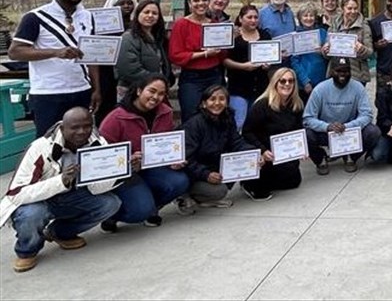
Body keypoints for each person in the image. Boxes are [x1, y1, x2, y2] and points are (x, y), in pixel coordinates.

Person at [1, 107, 121, 273]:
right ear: (62, 128)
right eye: (75, 127)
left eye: (87, 126)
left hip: (70, 197)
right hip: (38, 201)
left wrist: (121, 172)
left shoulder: (98, 143)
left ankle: (59, 233)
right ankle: (27, 250)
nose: (82, 132)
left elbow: (97, 189)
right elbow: (16, 194)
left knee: (110, 203)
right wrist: (61, 181)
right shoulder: (39, 148)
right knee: (32, 215)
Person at [9, 0, 102, 137]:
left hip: (81, 89)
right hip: (48, 93)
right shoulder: (36, 17)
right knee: (49, 143)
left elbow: (92, 55)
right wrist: (55, 52)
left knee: (81, 140)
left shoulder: (88, 16)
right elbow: (15, 52)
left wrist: (96, 89)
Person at [98, 75, 190, 231]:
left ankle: (151, 208)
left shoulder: (165, 113)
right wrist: (127, 159)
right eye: (151, 91)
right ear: (139, 91)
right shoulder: (116, 117)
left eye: (161, 94)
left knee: (180, 181)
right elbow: (101, 156)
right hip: (124, 173)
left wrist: (173, 160)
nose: (155, 97)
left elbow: (166, 144)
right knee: (139, 211)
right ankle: (112, 214)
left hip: (151, 167)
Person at [182, 85, 260, 209]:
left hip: (216, 166)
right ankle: (187, 196)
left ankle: (205, 196)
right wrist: (205, 174)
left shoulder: (227, 119)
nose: (217, 103)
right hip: (195, 173)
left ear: (227, 103)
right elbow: (187, 157)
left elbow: (236, 142)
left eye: (222, 99)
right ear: (204, 103)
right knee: (219, 191)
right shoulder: (194, 124)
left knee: (245, 167)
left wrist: (254, 154)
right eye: (212, 99)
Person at [302, 58, 381, 173]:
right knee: (306, 134)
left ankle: (351, 157)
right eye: (338, 71)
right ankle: (320, 160)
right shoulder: (320, 89)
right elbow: (308, 118)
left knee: (373, 132)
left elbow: (367, 115)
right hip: (326, 132)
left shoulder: (358, 87)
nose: (342, 74)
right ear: (331, 72)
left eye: (345, 71)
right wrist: (327, 126)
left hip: (349, 132)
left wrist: (347, 126)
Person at [240, 67, 307, 200]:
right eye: (282, 81)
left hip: (283, 153)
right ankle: (248, 183)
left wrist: (301, 149)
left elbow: (298, 131)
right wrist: (263, 150)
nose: (287, 84)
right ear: (275, 83)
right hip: (265, 154)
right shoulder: (262, 105)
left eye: (291, 81)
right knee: (262, 191)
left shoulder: (296, 105)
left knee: (294, 182)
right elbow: (247, 132)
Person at [169, 0, 226, 122]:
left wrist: (228, 39)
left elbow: (222, 55)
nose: (201, 3)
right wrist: (204, 54)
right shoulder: (181, 24)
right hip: (191, 78)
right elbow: (175, 55)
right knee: (191, 116)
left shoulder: (215, 24)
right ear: (189, 3)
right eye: (196, 0)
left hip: (214, 75)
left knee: (216, 115)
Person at [223, 5, 272, 129]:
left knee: (257, 124)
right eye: (249, 17)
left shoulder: (265, 35)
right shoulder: (234, 36)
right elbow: (224, 60)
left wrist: (268, 65)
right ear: (240, 19)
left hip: (260, 87)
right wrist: (243, 66)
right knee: (239, 122)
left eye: (256, 17)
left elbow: (270, 56)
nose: (253, 20)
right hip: (238, 87)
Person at [115, 0, 172, 100]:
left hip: (156, 90)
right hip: (133, 91)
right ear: (138, 14)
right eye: (146, 12)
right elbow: (129, 69)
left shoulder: (159, 38)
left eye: (154, 13)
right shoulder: (128, 38)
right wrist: (157, 80)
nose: (150, 15)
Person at [95, 0, 137, 124]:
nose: (126, 6)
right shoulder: (100, 28)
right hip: (106, 74)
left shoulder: (137, 27)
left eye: (129, 3)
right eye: (121, 3)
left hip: (129, 75)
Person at [323, 0, 373, 85]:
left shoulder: (364, 26)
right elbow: (327, 54)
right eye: (349, 8)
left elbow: (370, 52)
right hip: (336, 72)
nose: (353, 11)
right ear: (343, 9)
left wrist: (362, 49)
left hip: (357, 75)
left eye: (355, 8)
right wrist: (325, 50)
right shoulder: (334, 24)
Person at [291, 1, 328, 102]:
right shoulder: (296, 35)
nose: (308, 18)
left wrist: (323, 53)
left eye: (311, 15)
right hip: (304, 82)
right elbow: (294, 61)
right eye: (305, 16)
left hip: (322, 80)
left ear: (315, 17)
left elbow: (329, 55)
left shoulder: (323, 33)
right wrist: (305, 81)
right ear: (300, 18)